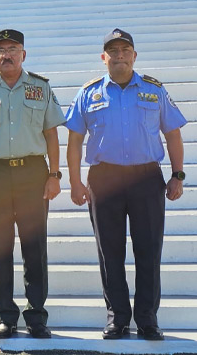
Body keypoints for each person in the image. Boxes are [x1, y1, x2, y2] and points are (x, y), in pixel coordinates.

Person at [65, 28, 186, 341]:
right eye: (113, 51)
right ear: (104, 57)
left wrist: (177, 174)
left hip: (146, 178)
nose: (119, 56)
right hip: (104, 179)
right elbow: (75, 139)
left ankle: (147, 319)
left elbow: (172, 134)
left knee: (149, 251)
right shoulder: (88, 93)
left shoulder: (153, 90)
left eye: (125, 50)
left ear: (134, 55)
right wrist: (75, 181)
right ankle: (117, 318)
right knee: (110, 252)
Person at [0, 29, 65, 340]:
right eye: (1, 50)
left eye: (13, 48)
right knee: (0, 248)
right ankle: (5, 316)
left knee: (35, 248)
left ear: (24, 54)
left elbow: (51, 134)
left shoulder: (40, 87)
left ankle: (36, 316)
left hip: (33, 173)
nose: (6, 54)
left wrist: (55, 175)